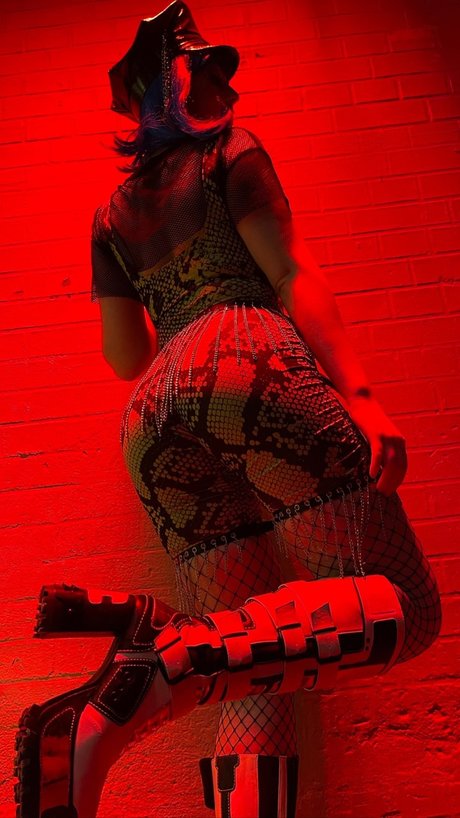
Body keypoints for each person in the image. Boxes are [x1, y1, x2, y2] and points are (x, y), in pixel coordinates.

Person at [13, 3, 442, 817]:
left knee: (251, 665)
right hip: (246, 362)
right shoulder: (231, 154)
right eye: (210, 70)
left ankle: (163, 665)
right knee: (408, 609)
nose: (228, 86)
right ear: (173, 84)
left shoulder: (110, 216)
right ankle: (165, 661)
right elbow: (292, 273)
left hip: (151, 418)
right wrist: (361, 396)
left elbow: (125, 358)